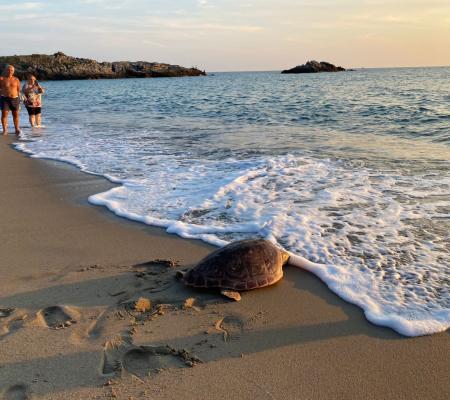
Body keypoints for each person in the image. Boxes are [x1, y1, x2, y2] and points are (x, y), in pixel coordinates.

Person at [0, 65, 21, 135]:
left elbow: (18, 90)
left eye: (11, 70)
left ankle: (17, 129)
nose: (10, 71)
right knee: (4, 115)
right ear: (5, 70)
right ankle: (5, 130)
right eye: (8, 70)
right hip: (5, 99)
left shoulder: (16, 79)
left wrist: (19, 98)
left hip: (15, 99)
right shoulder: (1, 79)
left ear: (13, 71)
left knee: (16, 115)